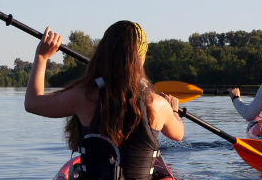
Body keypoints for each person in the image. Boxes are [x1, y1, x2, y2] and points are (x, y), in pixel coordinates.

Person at [25, 21, 184, 180]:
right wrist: (173, 110)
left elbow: (32, 103)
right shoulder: (157, 104)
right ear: (142, 58)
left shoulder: (83, 97)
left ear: (103, 52)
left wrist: (42, 56)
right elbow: (178, 134)